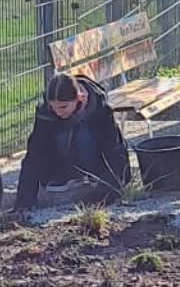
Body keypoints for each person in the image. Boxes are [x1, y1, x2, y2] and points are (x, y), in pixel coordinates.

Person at [14, 72, 131, 214]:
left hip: (97, 169)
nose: (57, 112)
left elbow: (116, 150)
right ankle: (67, 181)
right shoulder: (46, 113)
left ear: (80, 98)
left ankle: (90, 182)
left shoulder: (101, 110)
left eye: (63, 107)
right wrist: (24, 201)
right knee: (59, 135)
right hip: (60, 173)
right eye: (53, 107)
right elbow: (34, 154)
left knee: (83, 135)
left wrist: (110, 190)